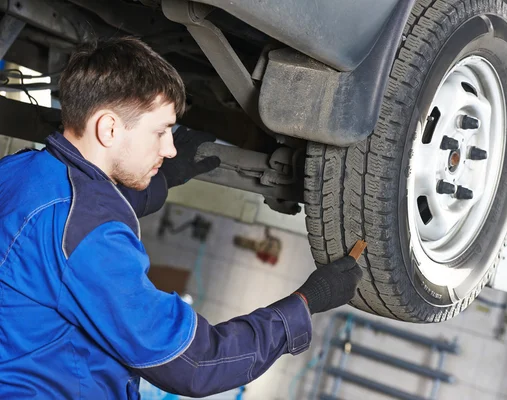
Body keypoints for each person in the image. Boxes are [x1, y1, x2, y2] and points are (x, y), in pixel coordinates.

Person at [0, 37, 363, 399]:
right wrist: (306, 302)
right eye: (160, 132)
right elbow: (198, 364)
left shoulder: (19, 172)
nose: (169, 148)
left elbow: (79, 212)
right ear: (109, 128)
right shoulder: (88, 237)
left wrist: (163, 179)